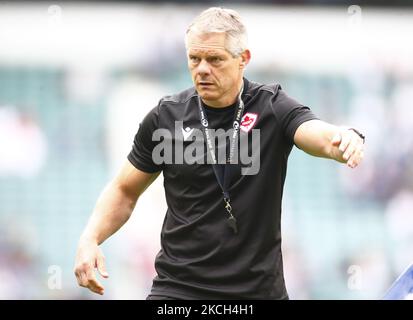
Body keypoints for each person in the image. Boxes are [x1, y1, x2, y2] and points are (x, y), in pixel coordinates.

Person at [74, 7, 365, 300]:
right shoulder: (166, 117)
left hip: (256, 292)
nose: (202, 69)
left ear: (243, 60)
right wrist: (90, 238)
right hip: (178, 291)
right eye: (194, 59)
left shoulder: (270, 107)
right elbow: (125, 189)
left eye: (214, 59)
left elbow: (317, 134)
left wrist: (342, 138)